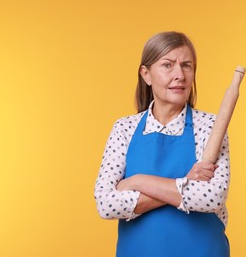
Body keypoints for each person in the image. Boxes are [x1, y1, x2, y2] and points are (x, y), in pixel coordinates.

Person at [94, 31, 232, 257]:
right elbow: (106, 204)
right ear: (146, 74)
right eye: (167, 65)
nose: (180, 74)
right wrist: (186, 181)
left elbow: (212, 197)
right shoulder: (124, 128)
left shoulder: (210, 126)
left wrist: (137, 182)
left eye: (187, 65)